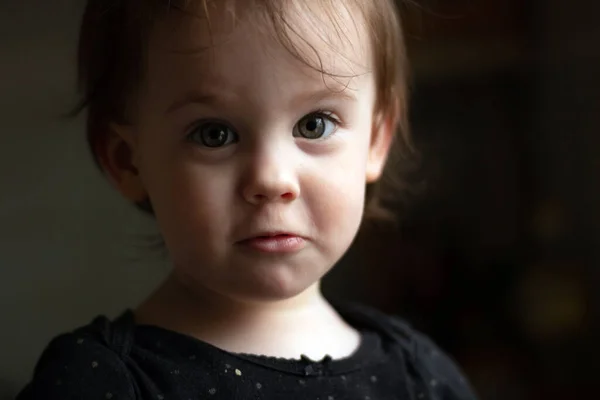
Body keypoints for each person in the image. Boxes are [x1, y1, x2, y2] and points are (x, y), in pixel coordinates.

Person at [17, 0, 477, 399]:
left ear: (376, 141)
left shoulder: (424, 379)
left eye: (314, 124)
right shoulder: (99, 385)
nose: (272, 179)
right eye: (215, 134)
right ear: (128, 161)